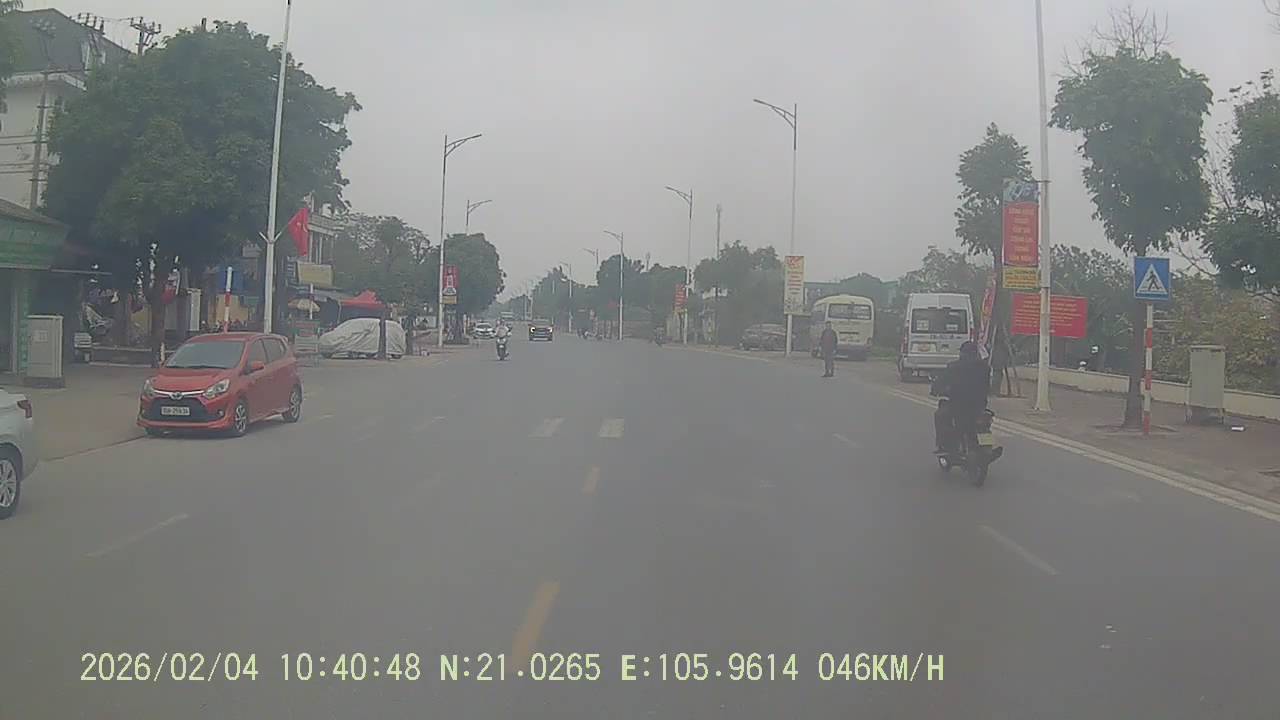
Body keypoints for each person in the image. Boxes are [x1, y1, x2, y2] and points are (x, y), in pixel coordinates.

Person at [932, 341, 992, 454]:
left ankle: (943, 445)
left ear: (962, 353)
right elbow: (988, 387)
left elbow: (940, 383)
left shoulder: (953, 367)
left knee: (940, 415)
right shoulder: (985, 368)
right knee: (984, 424)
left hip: (958, 406)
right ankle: (987, 446)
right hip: (979, 406)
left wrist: (936, 389)